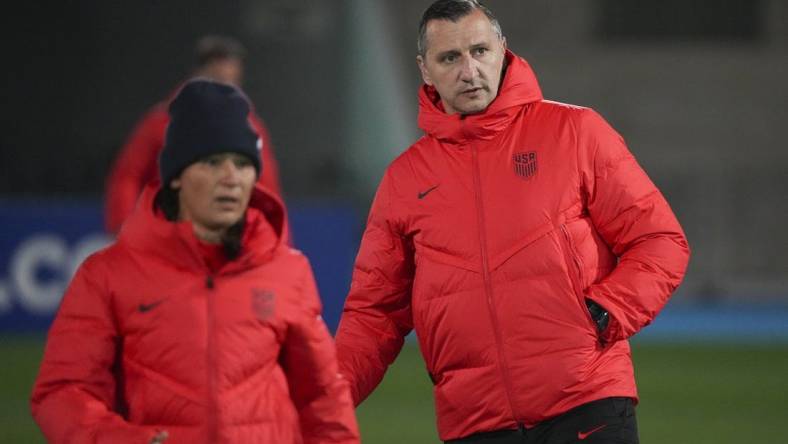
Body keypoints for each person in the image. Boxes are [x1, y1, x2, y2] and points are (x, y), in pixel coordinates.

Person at [335, 1, 690, 443]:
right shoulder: (404, 180)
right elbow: (375, 315)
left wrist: (606, 311)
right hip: (476, 423)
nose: (470, 71)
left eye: (480, 51)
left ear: (502, 49)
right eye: (450, 58)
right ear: (425, 70)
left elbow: (660, 240)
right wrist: (320, 403)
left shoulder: (576, 131)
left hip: (586, 405)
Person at [31, 80, 360, 444]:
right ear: (176, 178)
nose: (231, 178)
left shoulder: (288, 271)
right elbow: (62, 391)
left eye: (242, 163)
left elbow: (323, 397)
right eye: (212, 162)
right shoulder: (106, 276)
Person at [104, 35, 286, 235]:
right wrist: (124, 227)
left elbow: (268, 190)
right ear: (198, 74)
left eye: (230, 81)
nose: (224, 88)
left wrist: (278, 241)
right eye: (217, 79)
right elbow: (128, 176)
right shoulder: (162, 121)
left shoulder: (251, 127)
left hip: (227, 238)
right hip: (167, 233)